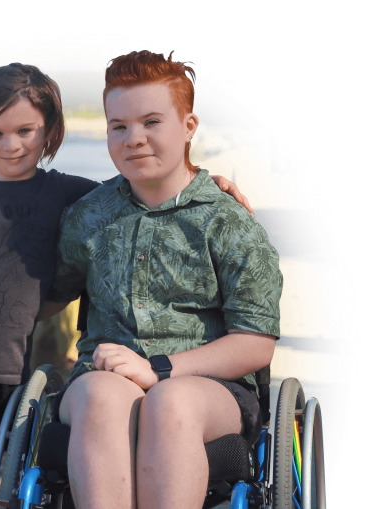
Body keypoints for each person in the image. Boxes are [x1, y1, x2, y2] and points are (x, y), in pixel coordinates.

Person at [0, 61, 254, 509]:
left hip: (26, 377)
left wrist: (206, 184)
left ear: (49, 131)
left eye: (26, 131)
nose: (11, 145)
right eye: (118, 125)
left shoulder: (82, 198)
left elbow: (146, 183)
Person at [38, 50, 283, 509]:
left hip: (209, 387)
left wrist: (160, 369)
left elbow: (255, 343)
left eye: (152, 121)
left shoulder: (227, 223)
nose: (134, 139)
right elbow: (41, 299)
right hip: (104, 375)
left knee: (169, 403)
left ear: (189, 127)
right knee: (102, 396)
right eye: (119, 126)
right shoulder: (87, 217)